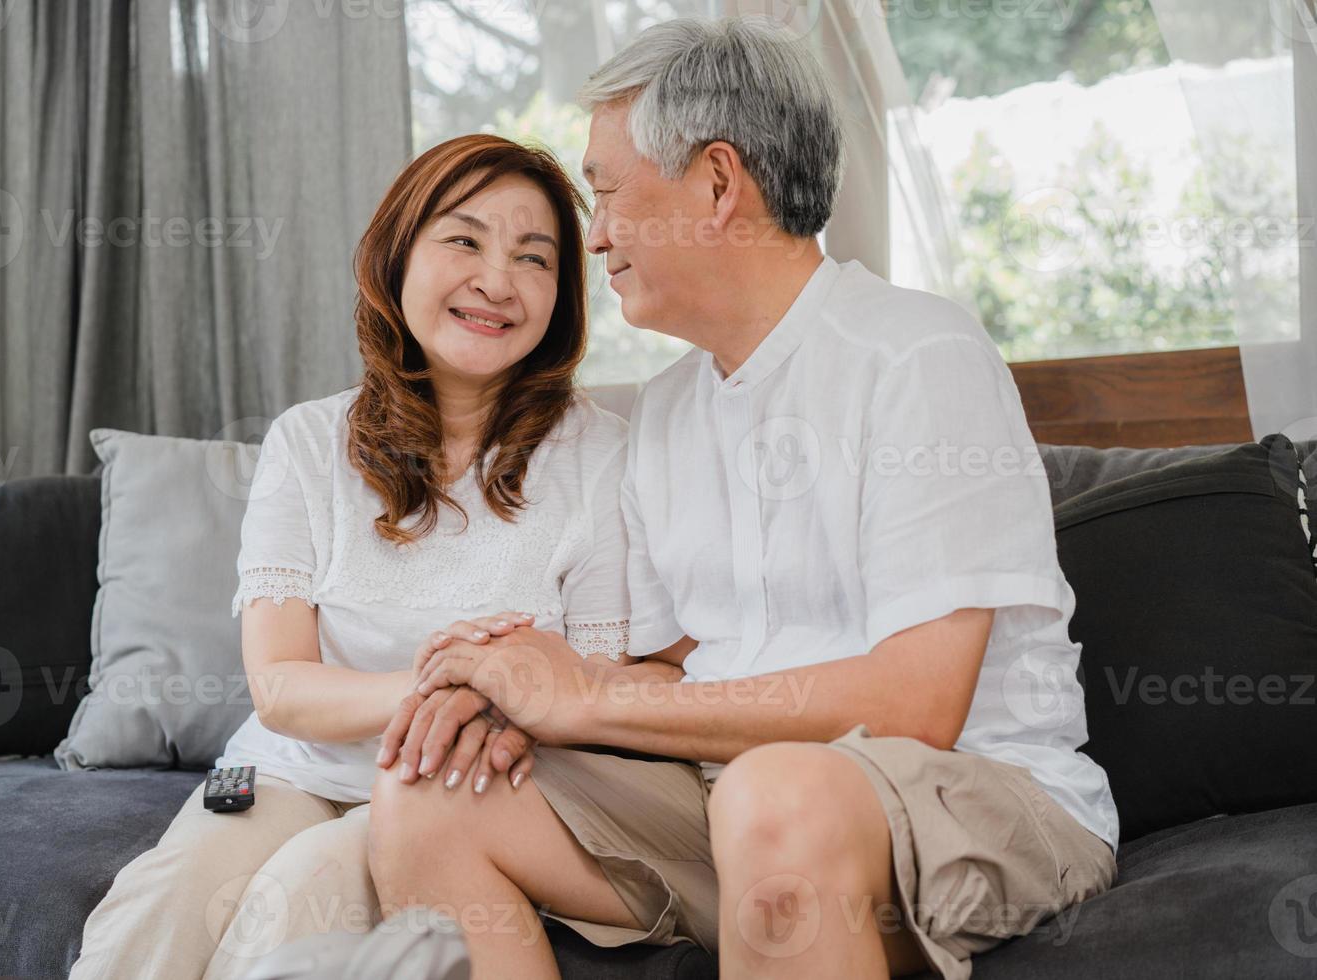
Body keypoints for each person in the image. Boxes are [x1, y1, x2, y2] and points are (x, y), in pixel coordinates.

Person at [372, 16, 1119, 980]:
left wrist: (587, 698)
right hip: (743, 807)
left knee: (777, 796)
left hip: (980, 802)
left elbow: (916, 704)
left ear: (718, 184)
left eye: (605, 193)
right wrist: (516, 683)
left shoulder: (917, 356)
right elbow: (681, 674)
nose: (592, 237)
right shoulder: (669, 413)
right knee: (431, 789)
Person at [67, 132, 685, 980]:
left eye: (533, 257)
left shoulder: (602, 456)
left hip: (460, 794)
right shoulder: (309, 440)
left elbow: (598, 679)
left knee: (299, 892)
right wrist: (458, 683)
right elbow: (281, 687)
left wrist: (493, 705)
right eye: (464, 240)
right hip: (290, 769)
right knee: (165, 896)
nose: (497, 281)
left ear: (562, 296)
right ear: (397, 256)